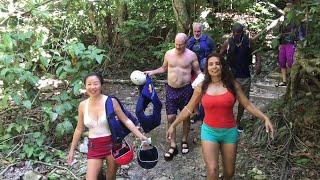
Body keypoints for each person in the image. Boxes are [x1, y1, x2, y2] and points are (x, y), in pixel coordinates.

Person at [166, 53, 274, 180]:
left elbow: (248, 105)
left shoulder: (232, 85)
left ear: (222, 66)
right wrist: (173, 124)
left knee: (229, 172)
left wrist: (265, 118)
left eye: (217, 63)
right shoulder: (201, 87)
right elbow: (189, 108)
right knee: (212, 170)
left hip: (229, 132)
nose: (214, 66)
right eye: (211, 64)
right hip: (209, 132)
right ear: (207, 68)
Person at [67, 72, 149, 180]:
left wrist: (141, 136)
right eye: (89, 84)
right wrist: (72, 150)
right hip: (94, 147)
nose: (92, 87)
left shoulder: (111, 101)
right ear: (85, 86)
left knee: (110, 177)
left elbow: (126, 120)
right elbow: (79, 129)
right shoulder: (83, 105)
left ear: (101, 85)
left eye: (96, 83)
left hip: (113, 146)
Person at [144, 33, 201, 161]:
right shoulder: (169, 54)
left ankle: (185, 140)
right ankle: (173, 144)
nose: (178, 46)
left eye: (181, 44)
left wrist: (205, 80)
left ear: (186, 43)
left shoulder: (191, 55)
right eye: (176, 44)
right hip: (171, 89)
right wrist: (152, 72)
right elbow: (164, 68)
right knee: (170, 117)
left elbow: (198, 72)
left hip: (186, 89)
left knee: (186, 116)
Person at [219, 23, 261, 132]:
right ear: (233, 32)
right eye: (236, 33)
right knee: (229, 99)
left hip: (245, 75)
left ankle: (238, 122)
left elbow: (257, 53)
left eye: (240, 33)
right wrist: (222, 68)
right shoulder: (228, 42)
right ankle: (228, 120)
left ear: (243, 32)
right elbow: (220, 55)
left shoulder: (248, 41)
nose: (238, 35)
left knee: (243, 100)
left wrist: (258, 64)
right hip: (231, 76)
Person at [276, 2, 299, 87]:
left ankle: (291, 80)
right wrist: (279, 44)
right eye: (286, 7)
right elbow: (280, 33)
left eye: (289, 7)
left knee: (290, 61)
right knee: (282, 61)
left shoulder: (295, 20)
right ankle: (284, 81)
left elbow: (298, 31)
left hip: (291, 42)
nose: (287, 9)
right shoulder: (282, 21)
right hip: (283, 43)